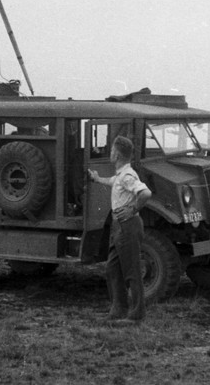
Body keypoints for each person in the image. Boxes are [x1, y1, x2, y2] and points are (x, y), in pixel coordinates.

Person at [88, 136, 152, 323]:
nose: (110, 153)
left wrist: (133, 209)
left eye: (111, 151)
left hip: (127, 226)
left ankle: (136, 314)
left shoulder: (127, 176)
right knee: (112, 269)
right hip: (120, 227)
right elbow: (113, 182)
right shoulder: (122, 175)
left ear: (116, 154)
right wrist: (97, 179)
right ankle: (119, 309)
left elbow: (145, 193)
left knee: (131, 271)